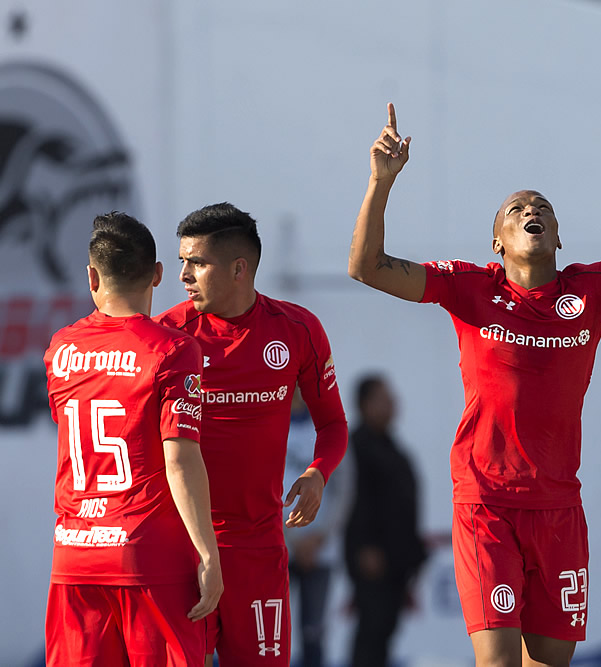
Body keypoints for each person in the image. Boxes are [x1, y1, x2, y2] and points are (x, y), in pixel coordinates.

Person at [349, 98, 601, 666]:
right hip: (487, 504)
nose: (530, 210)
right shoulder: (469, 287)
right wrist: (381, 182)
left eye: (541, 206)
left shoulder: (594, 289)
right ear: (497, 241)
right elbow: (366, 268)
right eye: (515, 209)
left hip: (560, 507)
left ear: (560, 238)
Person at [155, 203, 349, 666]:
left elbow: (334, 424)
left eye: (197, 262)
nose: (183, 274)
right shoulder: (167, 335)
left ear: (240, 268)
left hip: (258, 550)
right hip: (183, 547)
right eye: (182, 261)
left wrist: (318, 473)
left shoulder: (297, 330)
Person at [43, 212, 222, 666]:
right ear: (158, 274)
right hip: (148, 561)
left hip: (74, 558)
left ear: (91, 275)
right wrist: (207, 553)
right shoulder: (174, 350)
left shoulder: (61, 348)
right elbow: (179, 460)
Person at [344, 374, 426, 667]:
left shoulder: (391, 445)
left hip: (396, 558)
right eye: (383, 398)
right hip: (372, 558)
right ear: (365, 405)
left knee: (385, 631)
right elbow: (354, 503)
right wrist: (365, 547)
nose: (392, 403)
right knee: (372, 630)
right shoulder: (355, 447)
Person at [283, 388, 353, 667]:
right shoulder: (267, 424)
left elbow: (344, 490)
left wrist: (321, 537)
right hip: (278, 547)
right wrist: (291, 540)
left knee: (314, 632)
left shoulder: (329, 429)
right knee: (273, 631)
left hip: (321, 550)